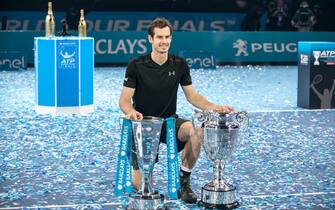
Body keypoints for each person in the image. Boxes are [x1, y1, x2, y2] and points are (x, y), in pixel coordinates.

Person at [118, 17, 234, 204]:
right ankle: (146, 184)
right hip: (144, 125)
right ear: (150, 39)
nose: (164, 41)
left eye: (167, 37)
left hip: (170, 123)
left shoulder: (179, 64)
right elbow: (124, 100)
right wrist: (131, 112)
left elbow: (192, 96)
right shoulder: (136, 65)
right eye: (159, 37)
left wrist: (214, 107)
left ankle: (183, 183)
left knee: (197, 131)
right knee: (141, 187)